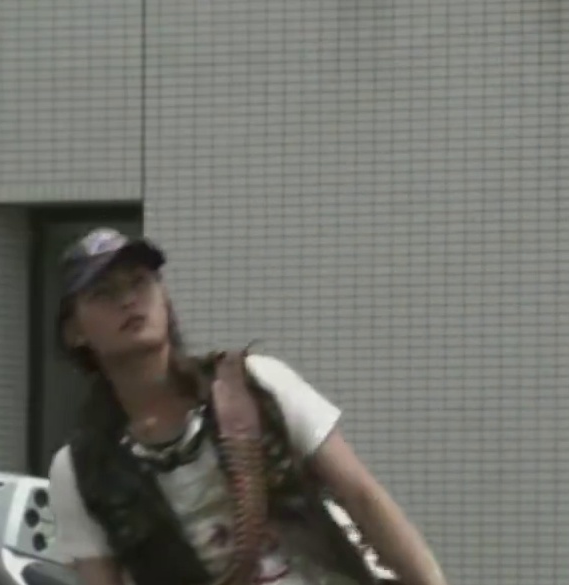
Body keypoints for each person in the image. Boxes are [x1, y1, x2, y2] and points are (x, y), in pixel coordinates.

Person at [47, 227, 447, 585]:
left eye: (140, 282)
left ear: (164, 297)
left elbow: (363, 497)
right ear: (74, 332)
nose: (128, 300)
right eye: (103, 293)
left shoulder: (256, 383)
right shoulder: (80, 470)